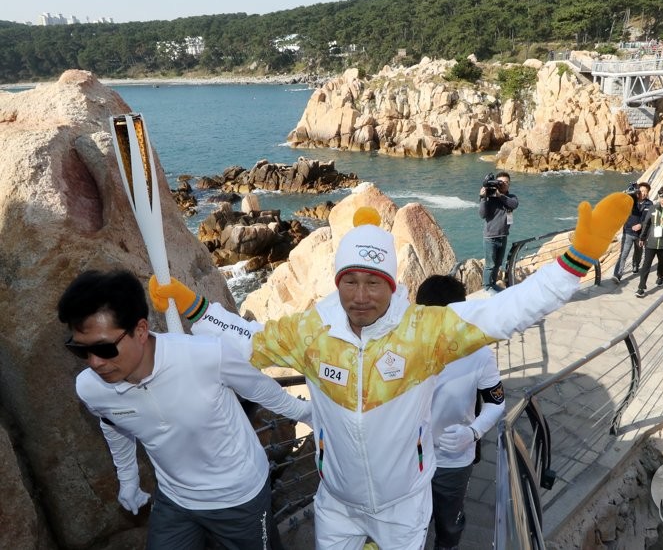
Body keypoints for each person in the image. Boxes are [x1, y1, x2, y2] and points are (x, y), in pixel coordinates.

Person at [150, 195, 631, 550]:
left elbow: (505, 312)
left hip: (403, 504)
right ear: (338, 282)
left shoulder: (424, 333)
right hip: (336, 502)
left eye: (373, 282)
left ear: (392, 284)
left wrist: (573, 264)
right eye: (350, 281)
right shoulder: (311, 333)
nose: (361, 296)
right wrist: (197, 309)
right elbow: (252, 339)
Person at [59, 269, 311, 550]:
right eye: (80, 350)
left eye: (104, 349)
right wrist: (128, 479)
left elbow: (260, 389)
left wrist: (309, 414)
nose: (94, 363)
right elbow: (113, 423)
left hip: (240, 497)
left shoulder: (206, 355)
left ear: (140, 330)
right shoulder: (91, 388)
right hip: (175, 499)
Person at [414, 275, 504, 550]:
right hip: (408, 459)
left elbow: (496, 402)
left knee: (449, 523)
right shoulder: (402, 346)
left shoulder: (479, 353)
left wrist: (473, 432)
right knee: (408, 524)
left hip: (452, 460)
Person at [634, 186, 663, 298]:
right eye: (662, 195)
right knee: (646, 264)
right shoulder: (652, 208)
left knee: (662, 262)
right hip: (651, 242)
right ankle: (641, 287)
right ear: (659, 196)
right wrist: (642, 238)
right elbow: (646, 224)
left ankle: (660, 276)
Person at [478, 171, 518, 293]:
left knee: (498, 263)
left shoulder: (511, 197)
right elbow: (482, 215)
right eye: (500, 182)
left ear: (509, 184)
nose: (503, 184)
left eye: (506, 182)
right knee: (490, 265)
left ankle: (493, 284)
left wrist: (500, 195)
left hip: (503, 236)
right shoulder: (490, 197)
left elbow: (514, 205)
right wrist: (483, 198)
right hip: (490, 237)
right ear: (495, 183)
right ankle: (487, 287)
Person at [612, 181, 653, 284]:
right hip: (628, 232)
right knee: (624, 254)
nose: (643, 193)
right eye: (641, 191)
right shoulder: (631, 201)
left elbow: (649, 220)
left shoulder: (650, 204)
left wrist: (641, 225)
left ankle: (636, 265)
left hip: (641, 235)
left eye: (646, 191)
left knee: (638, 253)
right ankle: (617, 275)